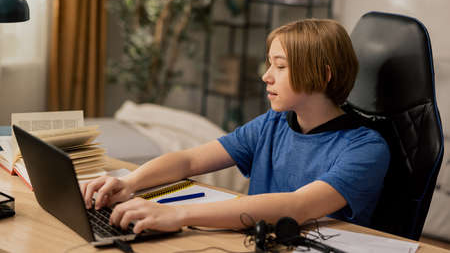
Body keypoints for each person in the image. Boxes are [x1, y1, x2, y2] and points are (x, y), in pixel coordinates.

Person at [81, 19, 390, 234]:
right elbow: (191, 159)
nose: (266, 76)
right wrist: (131, 183)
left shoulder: (366, 148)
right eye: (269, 64)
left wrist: (178, 214)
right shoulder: (273, 124)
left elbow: (298, 205)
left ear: (323, 76)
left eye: (280, 67)